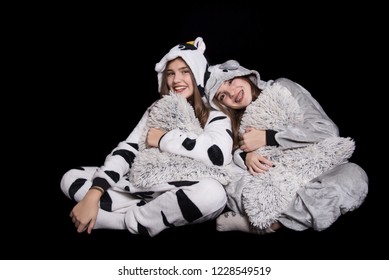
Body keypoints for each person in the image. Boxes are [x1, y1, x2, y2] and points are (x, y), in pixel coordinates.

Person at [60, 37, 233, 237]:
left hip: (188, 189)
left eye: (185, 72)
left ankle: (123, 221)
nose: (176, 80)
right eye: (170, 73)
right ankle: (151, 208)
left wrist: (164, 139)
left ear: (198, 74)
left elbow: (218, 155)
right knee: (70, 178)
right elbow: (129, 150)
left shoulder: (215, 113)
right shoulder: (156, 110)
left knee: (214, 194)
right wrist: (94, 193)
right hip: (147, 187)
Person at [204, 59, 369, 234]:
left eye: (230, 81)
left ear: (243, 74)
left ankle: (273, 224)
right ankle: (297, 212)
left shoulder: (283, 87)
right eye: (222, 96)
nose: (231, 92)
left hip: (317, 170)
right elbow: (227, 157)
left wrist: (268, 137)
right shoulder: (232, 124)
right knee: (227, 182)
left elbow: (327, 130)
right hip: (276, 182)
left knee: (354, 175)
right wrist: (246, 157)